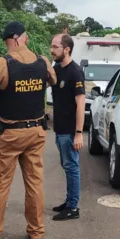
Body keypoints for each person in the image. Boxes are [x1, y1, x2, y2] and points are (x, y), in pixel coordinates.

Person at [0, 21, 57, 239]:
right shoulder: (42, 62)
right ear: (19, 38)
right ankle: (36, 232)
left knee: (1, 184)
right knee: (34, 183)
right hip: (36, 131)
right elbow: (53, 80)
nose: (28, 39)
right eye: (26, 36)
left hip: (10, 133)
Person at [49, 33, 86, 221]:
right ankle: (69, 200)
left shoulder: (75, 72)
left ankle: (73, 207)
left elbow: (81, 102)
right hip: (60, 128)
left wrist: (79, 133)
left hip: (70, 131)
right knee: (66, 166)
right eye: (52, 46)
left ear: (67, 49)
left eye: (55, 47)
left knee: (72, 167)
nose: (52, 50)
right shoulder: (57, 69)